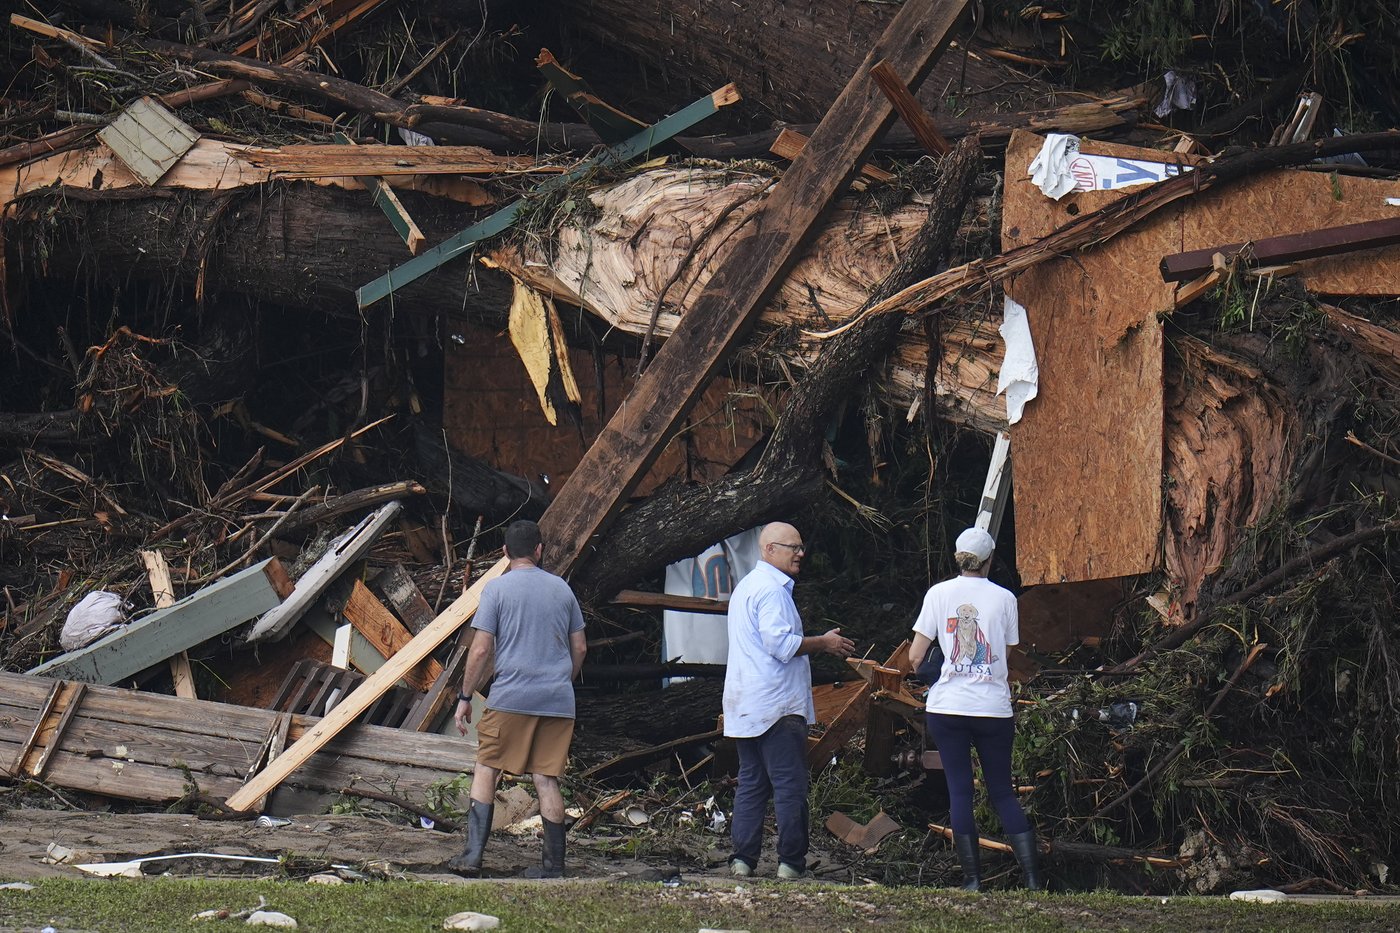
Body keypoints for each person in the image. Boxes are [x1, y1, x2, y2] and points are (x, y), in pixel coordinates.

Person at [447, 519, 587, 878]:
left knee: (486, 767)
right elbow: (580, 647)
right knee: (546, 778)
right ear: (539, 550)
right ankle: (553, 866)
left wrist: (465, 696)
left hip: (510, 698)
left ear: (505, 553)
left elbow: (480, 651)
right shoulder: (562, 590)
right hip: (557, 701)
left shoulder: (496, 590)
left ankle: (472, 858)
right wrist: (560, 681)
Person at [908, 526, 1041, 891]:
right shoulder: (1005, 599)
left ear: (957, 557)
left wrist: (938, 674)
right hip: (993, 710)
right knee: (1001, 791)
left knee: (960, 791)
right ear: (990, 559)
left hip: (948, 709)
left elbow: (916, 656)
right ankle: (1032, 879)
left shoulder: (938, 594)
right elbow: (1007, 654)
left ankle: (972, 880)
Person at [724, 522, 854, 880]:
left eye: (801, 546)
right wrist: (824, 643)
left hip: (746, 705)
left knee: (751, 782)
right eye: (792, 547)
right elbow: (780, 645)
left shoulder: (746, 588)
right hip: (777, 706)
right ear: (769, 550)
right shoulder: (772, 591)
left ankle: (742, 861)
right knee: (789, 785)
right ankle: (790, 864)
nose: (801, 553)